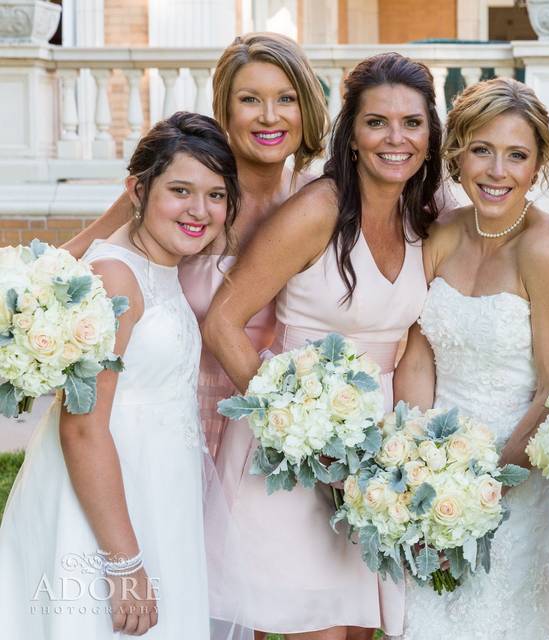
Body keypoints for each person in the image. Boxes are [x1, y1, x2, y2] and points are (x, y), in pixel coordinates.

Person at [201, 52, 443, 640]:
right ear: (351, 134)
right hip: (291, 452)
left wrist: (411, 446)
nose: (396, 138)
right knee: (310, 626)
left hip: (377, 451)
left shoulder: (428, 216)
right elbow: (223, 322)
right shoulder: (318, 211)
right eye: (376, 122)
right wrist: (296, 428)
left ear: (431, 135)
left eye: (412, 123)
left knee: (361, 628)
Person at [0, 112, 238, 638]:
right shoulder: (114, 278)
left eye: (216, 195)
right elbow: (82, 426)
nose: (200, 210)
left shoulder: (159, 264)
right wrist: (123, 563)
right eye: (180, 190)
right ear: (138, 189)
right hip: (108, 506)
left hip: (157, 490)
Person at [62, 32, 329, 460]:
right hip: (176, 418)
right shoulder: (184, 193)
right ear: (224, 107)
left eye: (286, 98)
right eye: (249, 100)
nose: (269, 117)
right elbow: (77, 254)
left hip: (267, 422)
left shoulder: (317, 202)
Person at [392, 77, 549, 640]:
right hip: (434, 460)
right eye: (483, 150)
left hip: (513, 471)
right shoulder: (444, 231)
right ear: (457, 154)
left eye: (516, 155)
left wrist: (483, 489)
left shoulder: (545, 249)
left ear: (538, 164)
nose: (497, 171)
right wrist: (414, 459)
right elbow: (419, 348)